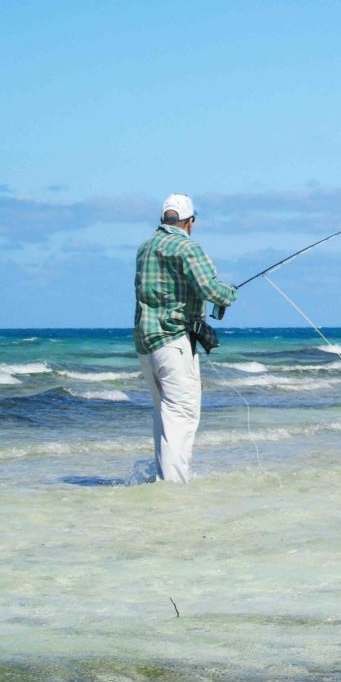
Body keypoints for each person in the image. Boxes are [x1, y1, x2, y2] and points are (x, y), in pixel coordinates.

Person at [133, 193, 236, 483]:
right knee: (181, 417)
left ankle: (162, 480)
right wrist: (230, 294)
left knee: (164, 417)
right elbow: (211, 290)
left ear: (164, 218)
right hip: (174, 342)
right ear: (190, 222)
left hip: (145, 344)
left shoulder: (145, 248)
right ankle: (173, 491)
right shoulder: (187, 248)